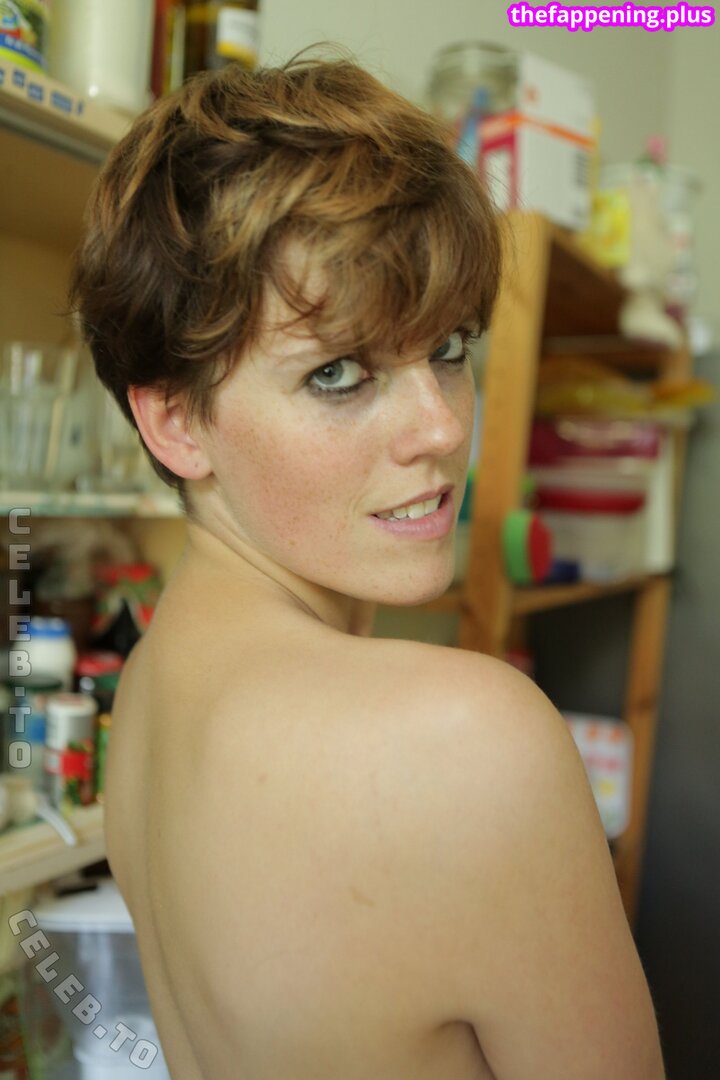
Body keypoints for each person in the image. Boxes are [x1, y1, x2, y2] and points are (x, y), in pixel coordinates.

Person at [69, 47, 665, 1080]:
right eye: (339, 373)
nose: (442, 427)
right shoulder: (471, 743)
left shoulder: (152, 694)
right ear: (175, 422)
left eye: (450, 347)